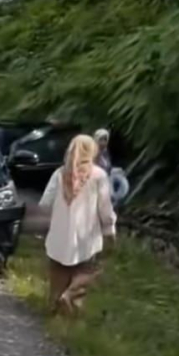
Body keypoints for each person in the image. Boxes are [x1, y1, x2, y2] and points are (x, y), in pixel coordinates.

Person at [39, 134, 116, 316]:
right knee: (86, 273)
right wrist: (109, 230)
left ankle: (54, 312)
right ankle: (70, 302)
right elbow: (105, 209)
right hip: (86, 240)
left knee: (58, 278)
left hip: (58, 240)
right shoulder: (98, 176)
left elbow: (45, 203)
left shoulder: (59, 174)